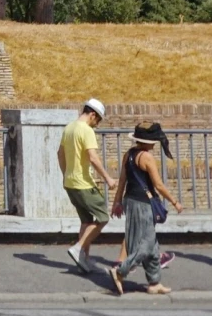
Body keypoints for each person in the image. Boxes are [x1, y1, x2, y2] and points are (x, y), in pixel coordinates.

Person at [110, 122, 181, 296]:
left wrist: (117, 202)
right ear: (147, 142)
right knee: (146, 244)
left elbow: (122, 181)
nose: (155, 144)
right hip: (143, 204)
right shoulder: (147, 157)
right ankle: (121, 271)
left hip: (130, 201)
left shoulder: (129, 155)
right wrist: (174, 201)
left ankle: (154, 282)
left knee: (153, 245)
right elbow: (158, 184)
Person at [58, 98, 110, 271]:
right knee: (103, 217)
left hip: (70, 183)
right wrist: (108, 179)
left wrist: (66, 174)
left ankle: (83, 261)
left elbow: (60, 154)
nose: (97, 124)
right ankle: (78, 247)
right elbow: (93, 158)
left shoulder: (69, 128)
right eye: (98, 120)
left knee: (86, 221)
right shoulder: (86, 130)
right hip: (84, 183)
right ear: (93, 115)